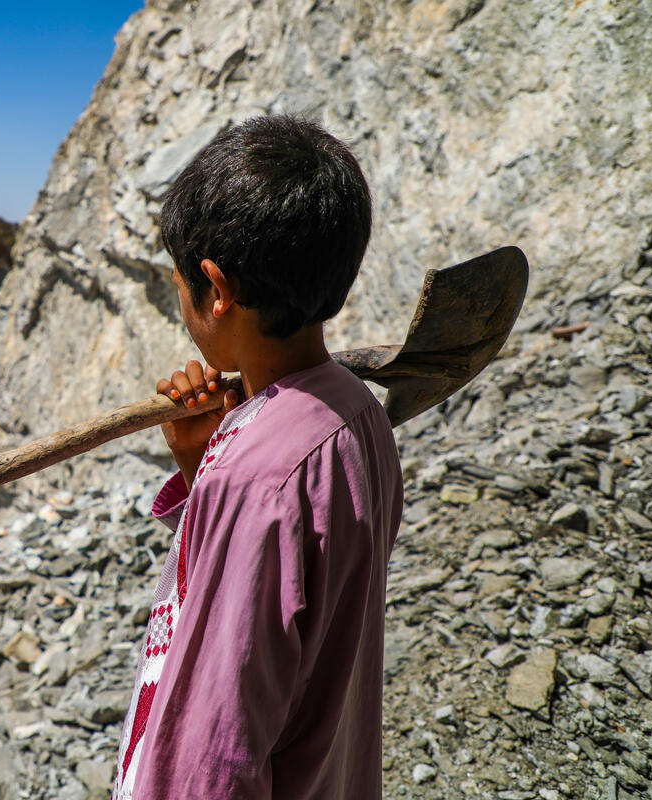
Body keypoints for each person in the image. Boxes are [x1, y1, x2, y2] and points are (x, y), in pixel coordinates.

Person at [111, 115, 403, 799]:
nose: (182, 305)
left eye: (179, 285)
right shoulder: (358, 415)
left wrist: (224, 474)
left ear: (216, 287)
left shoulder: (258, 478)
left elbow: (214, 750)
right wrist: (199, 468)